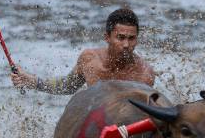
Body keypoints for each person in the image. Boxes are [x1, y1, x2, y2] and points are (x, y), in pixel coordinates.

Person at [11, 8, 155, 94]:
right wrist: (31, 81)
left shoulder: (143, 74)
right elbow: (68, 87)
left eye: (131, 38)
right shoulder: (90, 59)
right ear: (107, 37)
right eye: (121, 37)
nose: (126, 44)